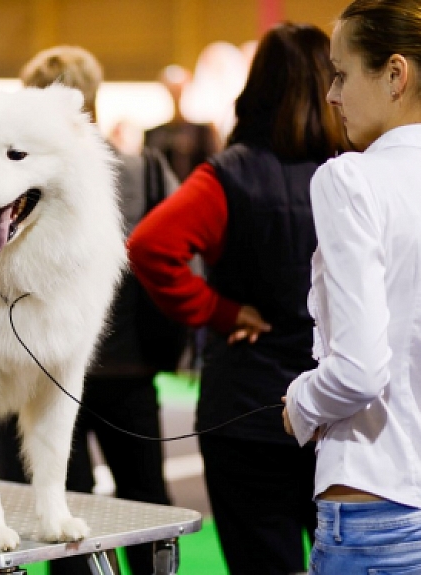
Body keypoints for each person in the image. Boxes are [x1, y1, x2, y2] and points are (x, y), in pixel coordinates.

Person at [128, 23, 344, 575]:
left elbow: (152, 246)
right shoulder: (354, 173)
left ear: (257, 87)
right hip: (340, 411)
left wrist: (218, 313)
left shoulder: (230, 176)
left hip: (247, 411)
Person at [0, 45, 183, 575]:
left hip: (44, 369)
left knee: (61, 505)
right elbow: (178, 256)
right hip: (129, 365)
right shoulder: (144, 172)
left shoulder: (19, 186)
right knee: (146, 501)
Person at [282, 1, 421, 572]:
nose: (332, 95)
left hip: (375, 510)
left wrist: (300, 402)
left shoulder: (351, 178)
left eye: (340, 74)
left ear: (395, 74)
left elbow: (361, 369)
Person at [144, 64, 222, 182]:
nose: (176, 95)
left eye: (179, 90)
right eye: (172, 90)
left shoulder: (202, 132)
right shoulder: (154, 134)